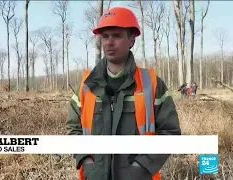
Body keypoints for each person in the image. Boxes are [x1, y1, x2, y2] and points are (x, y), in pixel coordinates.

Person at [65, 7, 181, 180]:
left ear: (132, 40)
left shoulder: (151, 84)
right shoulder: (86, 85)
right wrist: (87, 163)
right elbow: (73, 129)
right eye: (105, 36)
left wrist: (140, 168)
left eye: (117, 36)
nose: (109, 42)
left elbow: (170, 133)